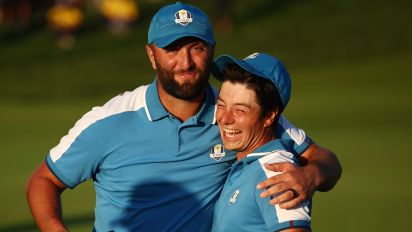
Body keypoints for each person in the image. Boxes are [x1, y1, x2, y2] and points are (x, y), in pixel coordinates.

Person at [25, 2, 341, 231]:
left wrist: (310, 176)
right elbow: (43, 181)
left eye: (196, 48)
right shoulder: (108, 120)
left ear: (212, 50)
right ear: (151, 55)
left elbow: (325, 160)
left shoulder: (235, 116)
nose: (186, 62)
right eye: (172, 49)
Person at [212, 52, 311, 232]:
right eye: (221, 105)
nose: (224, 119)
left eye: (240, 110)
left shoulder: (275, 172)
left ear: (269, 116)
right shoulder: (246, 165)